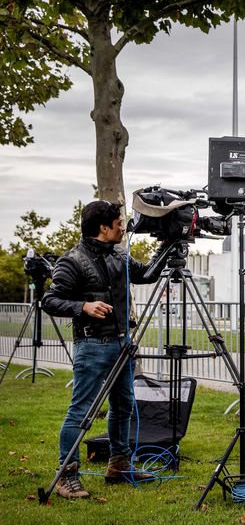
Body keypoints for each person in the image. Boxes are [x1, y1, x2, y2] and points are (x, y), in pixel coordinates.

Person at [42, 200, 167, 499]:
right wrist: (83, 306)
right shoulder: (72, 260)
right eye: (119, 223)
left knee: (123, 405)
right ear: (103, 228)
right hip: (92, 345)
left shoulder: (119, 255)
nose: (123, 227)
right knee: (82, 410)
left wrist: (167, 247)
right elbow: (50, 300)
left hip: (123, 343)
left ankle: (119, 466)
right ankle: (67, 476)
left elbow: (147, 274)